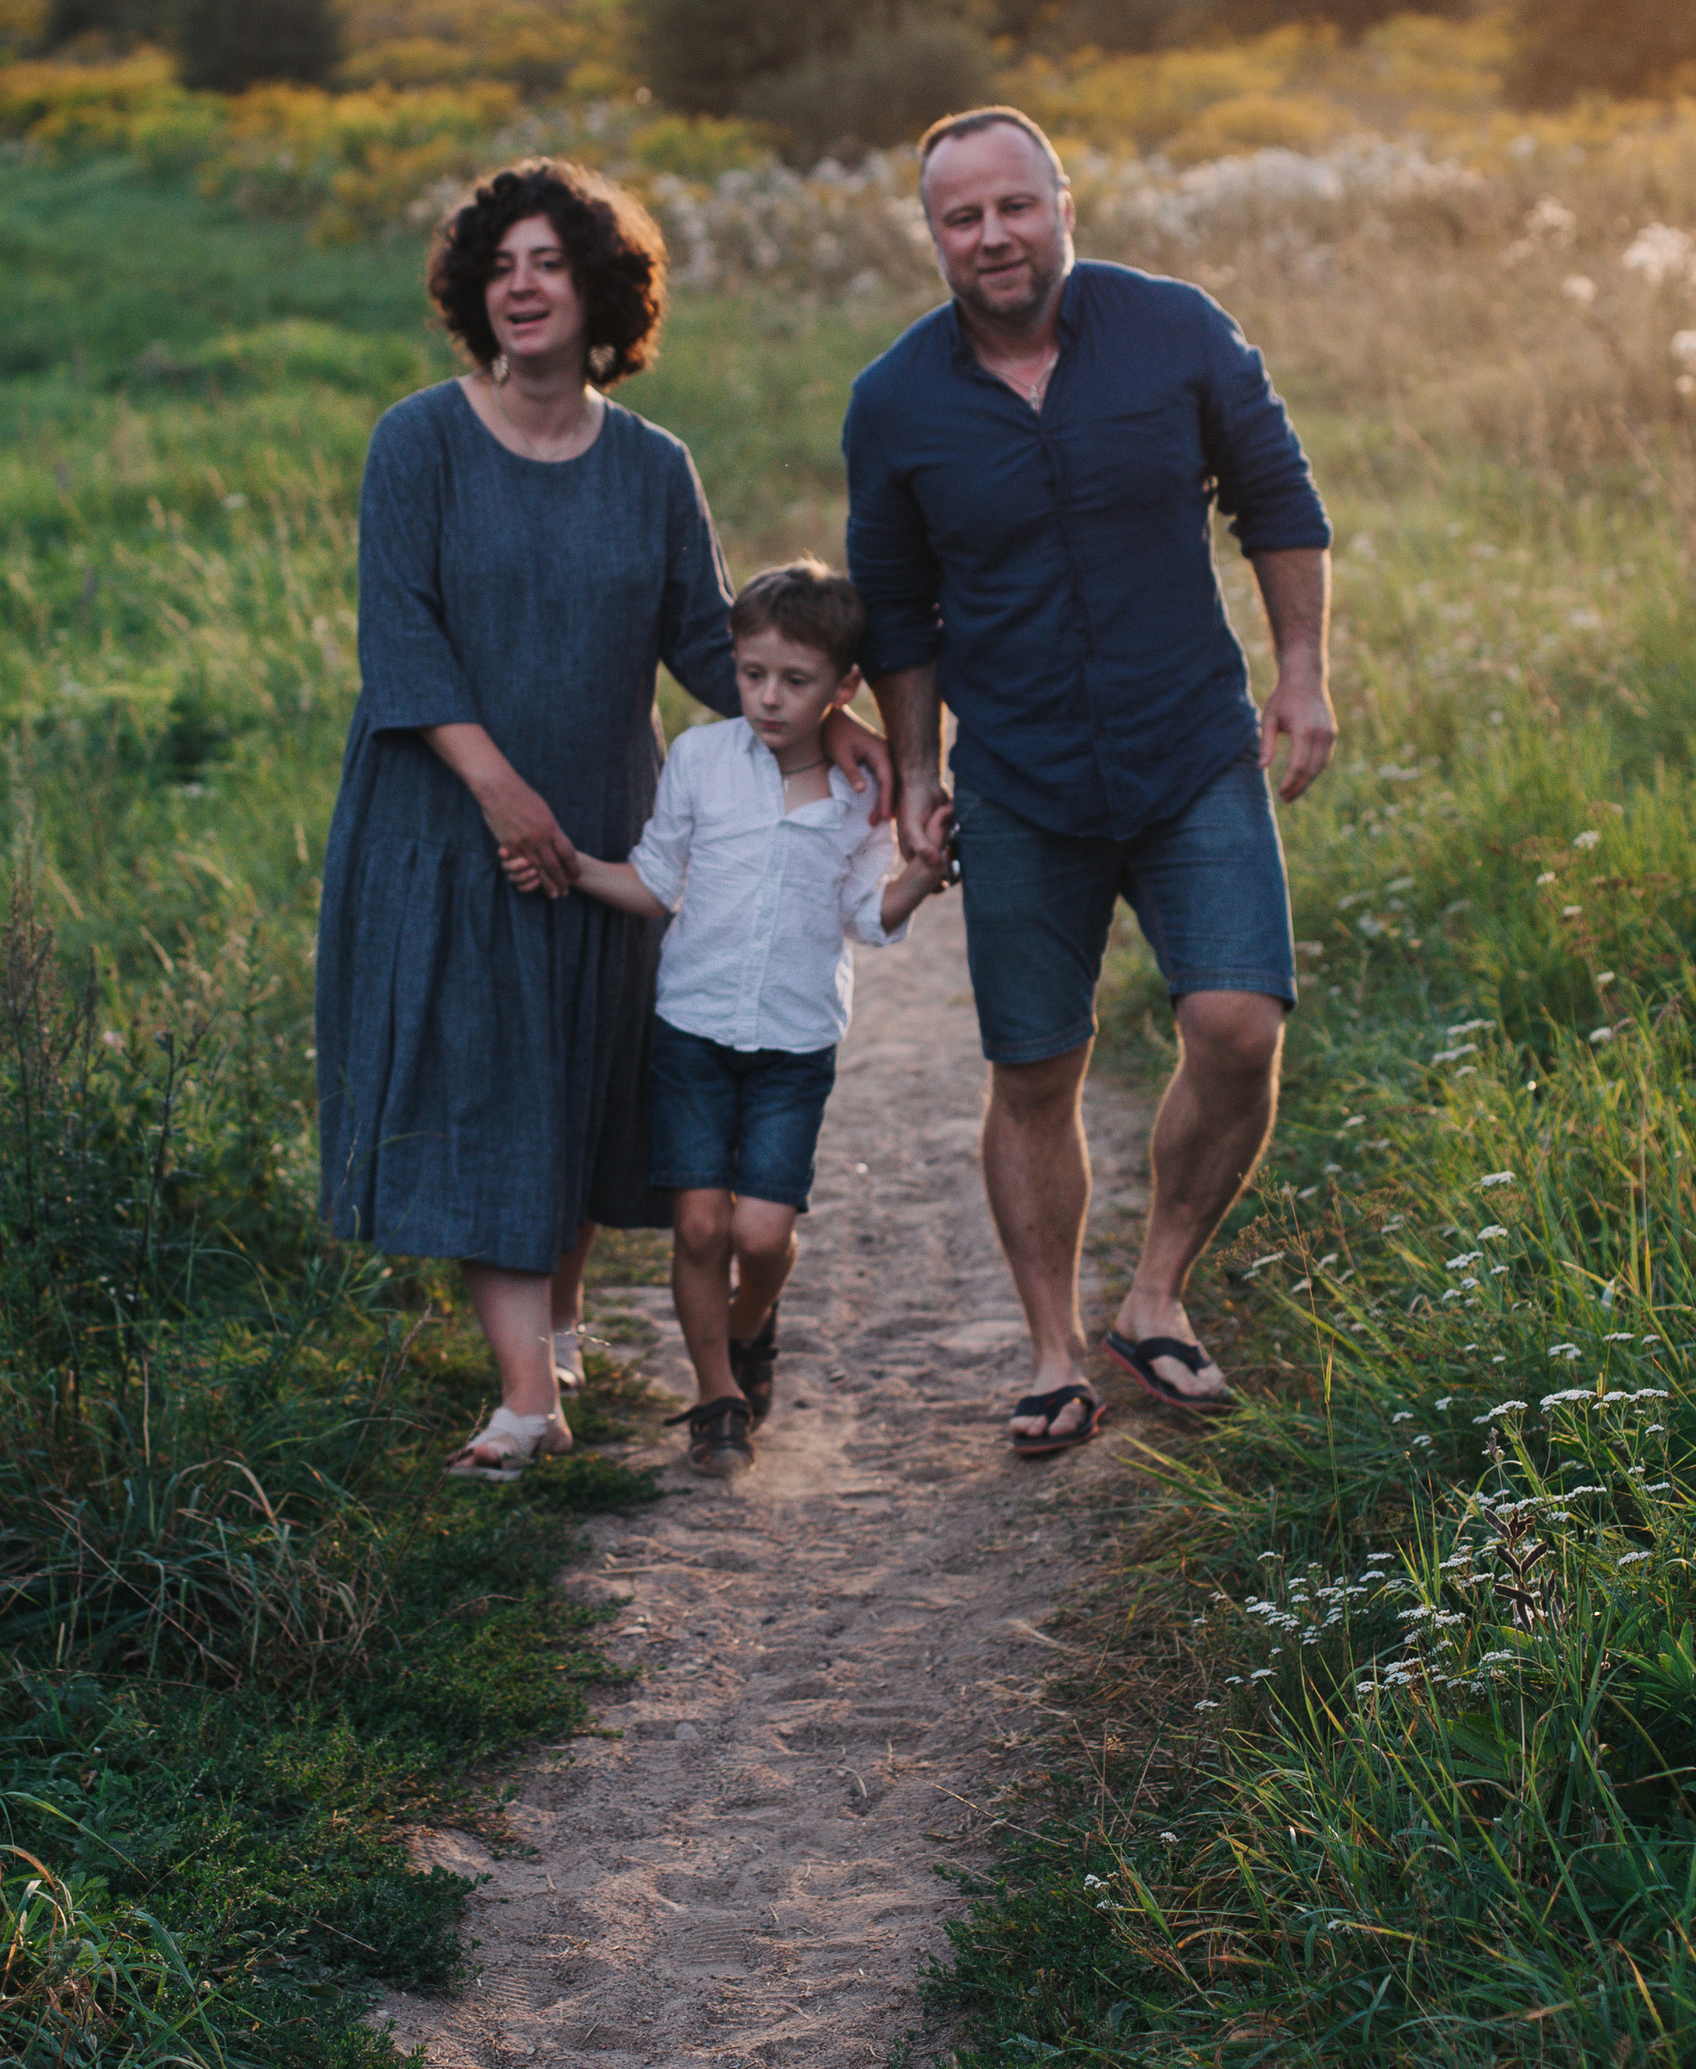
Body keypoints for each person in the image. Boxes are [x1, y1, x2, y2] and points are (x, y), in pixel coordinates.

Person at [315, 160, 890, 1482]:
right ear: (477, 289)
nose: (522, 285)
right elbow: (399, 645)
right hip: (446, 822)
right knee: (485, 1085)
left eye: (550, 264)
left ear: (599, 292)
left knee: (575, 1082)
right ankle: (528, 1401)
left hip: (610, 831)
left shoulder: (651, 466)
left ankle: (561, 1323)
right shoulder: (418, 442)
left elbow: (712, 646)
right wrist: (501, 793)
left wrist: (833, 717)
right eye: (501, 264)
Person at [842, 106, 1335, 1453]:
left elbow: (1278, 501)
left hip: (1190, 752)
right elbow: (895, 612)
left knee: (1238, 1026)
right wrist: (922, 775)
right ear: (935, 234)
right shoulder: (894, 402)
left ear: (1063, 204)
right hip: (1022, 781)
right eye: (962, 217)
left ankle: (1157, 1296)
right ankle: (1055, 1350)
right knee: (1035, 1069)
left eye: (1016, 205)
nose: (993, 235)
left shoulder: (1177, 331)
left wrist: (1300, 673)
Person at [504, 562, 952, 1478]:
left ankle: (752, 1328)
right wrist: (568, 866)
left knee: (760, 1236)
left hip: (794, 1045)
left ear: (844, 687)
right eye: (752, 674)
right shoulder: (704, 760)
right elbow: (658, 879)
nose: (768, 699)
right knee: (701, 1227)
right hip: (693, 1033)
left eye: (795, 681)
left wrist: (920, 877)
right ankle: (716, 1397)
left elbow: (866, 916)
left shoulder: (858, 792)